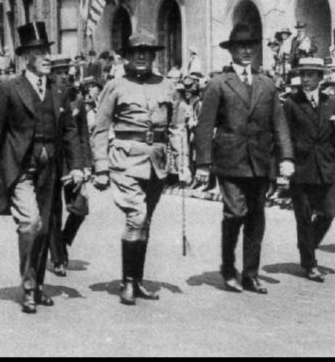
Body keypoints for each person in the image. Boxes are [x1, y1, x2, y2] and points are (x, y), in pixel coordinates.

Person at [0, 22, 84, 314]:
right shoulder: (9, 88)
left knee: (44, 228)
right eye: (39, 52)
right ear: (26, 56)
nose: (46, 57)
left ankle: (38, 286)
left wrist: (76, 165)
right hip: (20, 166)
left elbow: (69, 131)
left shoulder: (58, 89)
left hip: (51, 168)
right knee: (31, 223)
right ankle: (28, 287)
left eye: (47, 51)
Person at [194, 23, 294, 294]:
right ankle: (228, 267)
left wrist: (286, 156)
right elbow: (205, 125)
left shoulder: (267, 84)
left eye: (251, 46)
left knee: (256, 218)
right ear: (232, 51)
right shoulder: (218, 84)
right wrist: (203, 163)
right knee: (235, 212)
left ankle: (250, 274)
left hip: (260, 160)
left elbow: (279, 123)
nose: (247, 51)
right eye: (241, 46)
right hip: (230, 159)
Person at [92, 30, 190, 305]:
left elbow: (177, 127)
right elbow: (100, 128)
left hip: (156, 162)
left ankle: (137, 280)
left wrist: (182, 164)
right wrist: (100, 166)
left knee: (145, 221)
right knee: (136, 216)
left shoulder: (167, 86)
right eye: (137, 52)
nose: (142, 56)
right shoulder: (116, 86)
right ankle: (127, 282)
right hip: (125, 159)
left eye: (147, 52)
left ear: (154, 56)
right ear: (126, 57)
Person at [282, 57, 335, 282]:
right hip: (301, 168)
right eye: (303, 75)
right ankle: (310, 263)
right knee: (303, 217)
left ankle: (306, 246)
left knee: (328, 213)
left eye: (310, 75)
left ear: (320, 78)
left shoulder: (332, 103)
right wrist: (286, 160)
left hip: (327, 167)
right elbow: (284, 136)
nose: (305, 80)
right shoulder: (291, 103)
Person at [46, 55, 91, 278]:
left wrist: (85, 164)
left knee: (80, 208)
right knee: (53, 212)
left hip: (73, 163)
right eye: (59, 72)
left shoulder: (77, 99)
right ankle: (58, 258)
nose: (64, 76)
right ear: (50, 75)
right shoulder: (44, 98)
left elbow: (82, 134)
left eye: (66, 71)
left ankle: (63, 241)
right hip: (54, 163)